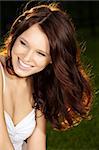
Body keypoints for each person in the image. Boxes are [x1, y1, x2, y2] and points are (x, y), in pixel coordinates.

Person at [0, 2, 92, 150]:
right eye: (23, 43)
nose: (27, 57)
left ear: (51, 60)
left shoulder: (38, 84)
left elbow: (37, 146)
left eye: (40, 53)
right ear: (15, 35)